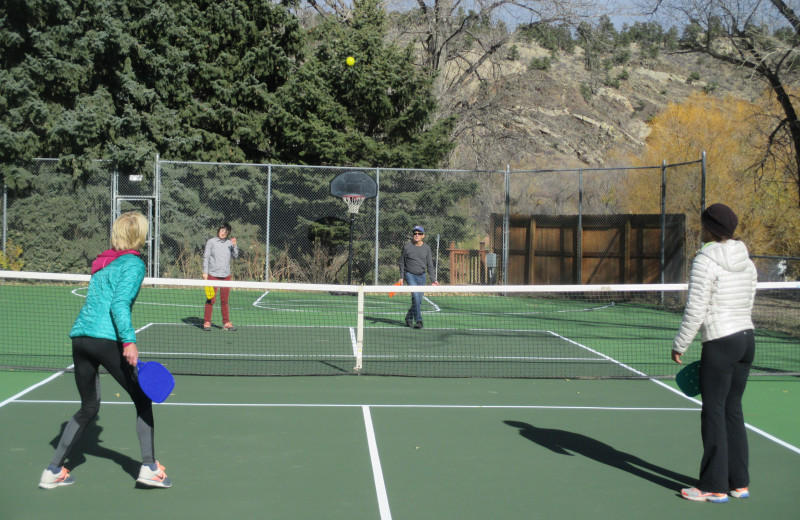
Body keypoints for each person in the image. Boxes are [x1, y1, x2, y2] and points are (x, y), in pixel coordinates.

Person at [39, 211, 172, 489]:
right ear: (139, 235)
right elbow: (118, 304)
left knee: (88, 406)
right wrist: (129, 341)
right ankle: (148, 467)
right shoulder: (133, 264)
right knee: (142, 399)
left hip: (81, 338)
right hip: (106, 339)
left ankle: (53, 471)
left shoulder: (102, 262)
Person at [671, 203, 757, 503]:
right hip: (747, 340)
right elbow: (749, 298)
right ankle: (739, 483)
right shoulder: (747, 260)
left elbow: (696, 308)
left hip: (721, 342)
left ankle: (713, 487)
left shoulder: (705, 261)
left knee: (714, 412)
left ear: (709, 228)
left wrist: (680, 344)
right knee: (733, 409)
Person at [397, 225, 439, 329]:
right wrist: (401, 277)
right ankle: (419, 320)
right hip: (410, 275)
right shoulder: (407, 247)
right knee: (415, 297)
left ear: (423, 236)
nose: (416, 235)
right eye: (415, 233)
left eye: (419, 233)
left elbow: (430, 265)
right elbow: (402, 262)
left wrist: (433, 280)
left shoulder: (427, 248)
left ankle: (408, 317)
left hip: (422, 276)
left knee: (419, 300)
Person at [202, 222, 239, 331]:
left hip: (226, 276)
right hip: (212, 275)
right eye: (222, 230)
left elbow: (235, 256)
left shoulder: (229, 243)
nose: (224, 233)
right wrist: (205, 272)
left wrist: (235, 245)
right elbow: (206, 257)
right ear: (219, 230)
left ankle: (226, 323)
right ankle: (207, 322)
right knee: (210, 299)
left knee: (225, 300)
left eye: (226, 231)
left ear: (228, 233)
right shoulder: (211, 242)